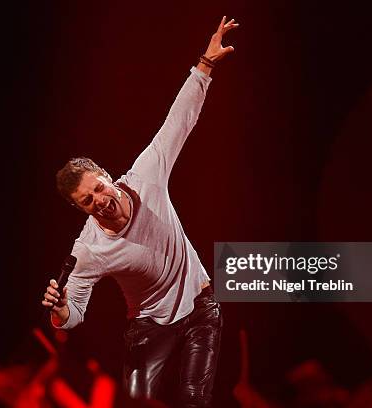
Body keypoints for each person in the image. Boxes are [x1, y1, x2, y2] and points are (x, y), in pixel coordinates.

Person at [42, 16, 239, 407]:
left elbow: (178, 122)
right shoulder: (89, 250)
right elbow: (74, 312)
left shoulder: (146, 176)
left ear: (106, 175)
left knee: (192, 400)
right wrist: (62, 310)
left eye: (99, 187)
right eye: (87, 200)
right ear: (79, 208)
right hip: (149, 326)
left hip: (199, 306)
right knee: (135, 404)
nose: (100, 199)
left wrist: (206, 64)